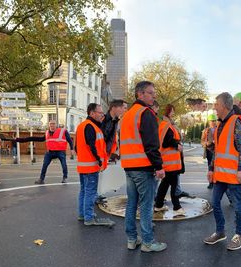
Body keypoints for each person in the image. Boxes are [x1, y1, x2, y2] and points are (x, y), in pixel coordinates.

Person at [120, 81, 167, 252]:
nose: (154, 95)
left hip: (129, 167)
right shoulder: (145, 114)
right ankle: (148, 242)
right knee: (147, 205)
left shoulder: (128, 115)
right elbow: (151, 144)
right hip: (143, 167)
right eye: (150, 92)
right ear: (140, 94)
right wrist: (159, 166)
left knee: (132, 204)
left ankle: (132, 239)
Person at [203, 92, 241, 251]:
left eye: (217, 104)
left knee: (237, 206)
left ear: (225, 106)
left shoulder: (236, 122)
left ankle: (240, 235)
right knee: (215, 202)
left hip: (234, 175)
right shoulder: (220, 124)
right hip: (220, 174)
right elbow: (217, 150)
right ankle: (220, 232)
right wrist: (211, 168)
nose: (214, 107)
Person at [76, 103, 114, 227]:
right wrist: (98, 160)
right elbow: (92, 145)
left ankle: (83, 214)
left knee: (84, 191)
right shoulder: (91, 126)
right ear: (92, 113)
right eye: (99, 112)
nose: (101, 114)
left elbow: (77, 147)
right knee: (90, 192)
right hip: (91, 167)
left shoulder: (82, 126)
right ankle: (89, 217)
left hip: (83, 166)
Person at [154, 104, 185, 216]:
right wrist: (177, 144)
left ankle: (158, 205)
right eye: (171, 111)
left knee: (165, 184)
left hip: (167, 161)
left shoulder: (165, 125)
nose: (173, 113)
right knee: (174, 185)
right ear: (167, 112)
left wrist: (176, 143)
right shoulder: (167, 125)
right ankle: (177, 207)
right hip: (171, 162)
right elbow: (167, 141)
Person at [201, 114, 217, 189]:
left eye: (214, 121)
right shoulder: (206, 131)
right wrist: (205, 143)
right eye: (211, 121)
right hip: (209, 151)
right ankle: (211, 182)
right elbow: (202, 141)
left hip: (217, 150)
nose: (213, 122)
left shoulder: (219, 129)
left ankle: (216, 181)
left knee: (217, 167)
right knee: (210, 167)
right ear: (209, 122)